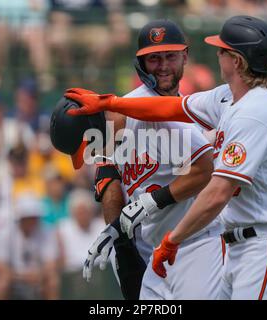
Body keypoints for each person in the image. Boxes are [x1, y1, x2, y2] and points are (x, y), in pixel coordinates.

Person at [65, 15, 267, 299]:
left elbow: (217, 190)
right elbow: (172, 107)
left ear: (238, 62)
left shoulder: (254, 112)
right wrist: (112, 103)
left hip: (264, 243)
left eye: (223, 50)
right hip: (240, 243)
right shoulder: (228, 98)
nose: (217, 54)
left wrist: (170, 237)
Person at [73, 20, 225, 300]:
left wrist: (149, 203)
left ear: (185, 57)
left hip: (195, 246)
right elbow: (108, 176)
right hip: (151, 246)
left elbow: (204, 170)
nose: (163, 65)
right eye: (154, 58)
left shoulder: (191, 114)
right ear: (140, 62)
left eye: (170, 56)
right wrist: (122, 243)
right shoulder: (124, 110)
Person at [0, 195, 59, 300]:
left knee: (53, 281)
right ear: (20, 218)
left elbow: (51, 264)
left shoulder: (47, 232)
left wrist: (40, 274)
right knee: (2, 283)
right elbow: (0, 266)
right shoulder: (5, 233)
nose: (32, 220)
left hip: (38, 276)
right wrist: (22, 277)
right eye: (28, 217)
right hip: (13, 277)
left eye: (34, 216)